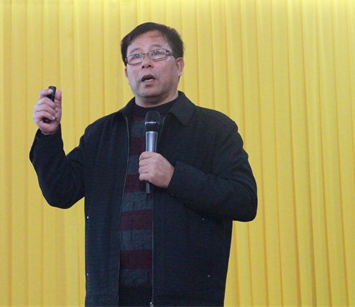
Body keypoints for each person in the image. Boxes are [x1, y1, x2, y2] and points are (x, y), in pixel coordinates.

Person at [30, 22, 257, 306]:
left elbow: (244, 200)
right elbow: (60, 192)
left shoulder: (214, 129)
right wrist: (48, 136)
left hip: (187, 299)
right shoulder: (102, 134)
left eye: (157, 53)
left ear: (179, 66)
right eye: (136, 57)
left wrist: (174, 177)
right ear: (127, 72)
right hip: (111, 298)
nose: (145, 63)